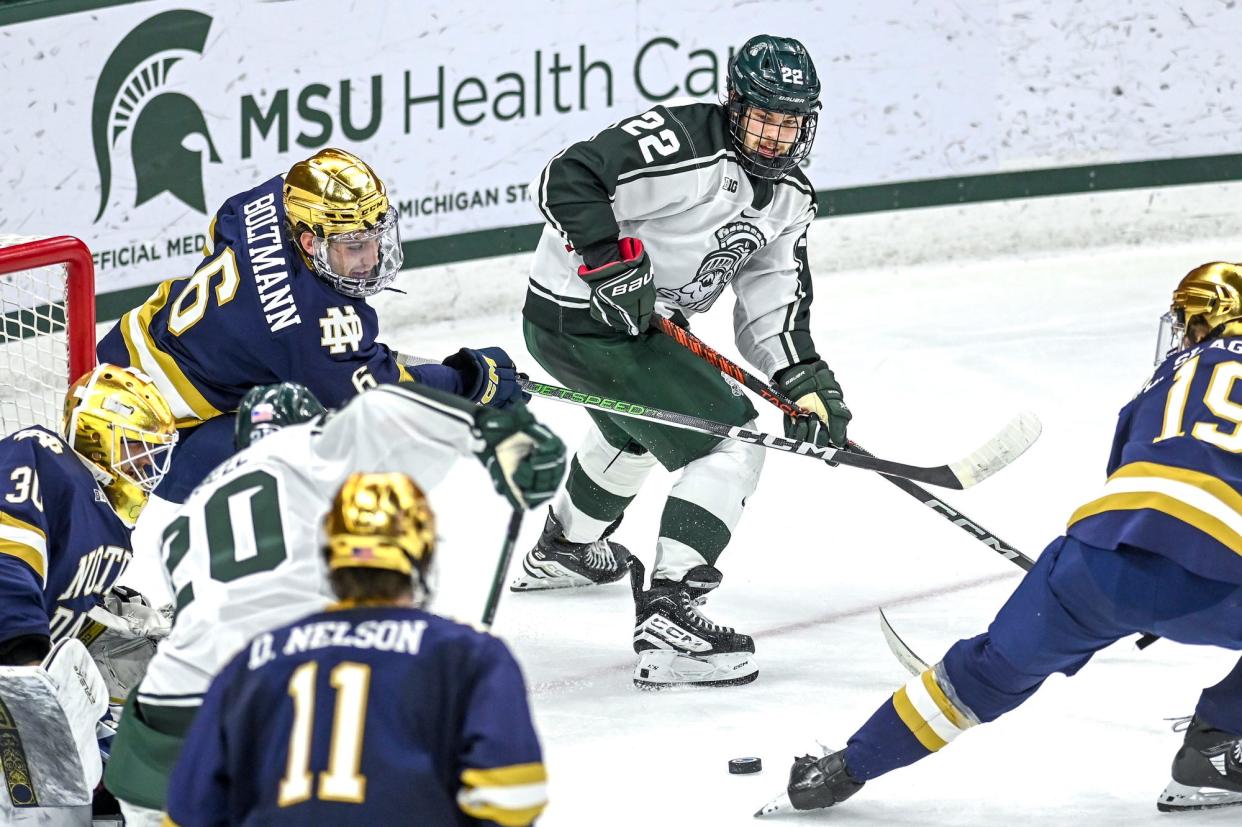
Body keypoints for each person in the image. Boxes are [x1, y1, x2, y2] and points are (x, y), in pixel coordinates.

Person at [760, 261, 1242, 818]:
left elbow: (1136, 478)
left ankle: (841, 770)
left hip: (1093, 563)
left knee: (983, 673)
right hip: (1217, 574)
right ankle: (1218, 743)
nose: (1182, 332)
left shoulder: (1161, 380)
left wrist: (1137, 593)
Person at [512, 33, 850, 689]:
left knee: (634, 430)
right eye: (764, 118)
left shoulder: (790, 200)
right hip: (583, 317)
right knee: (729, 440)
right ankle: (671, 615)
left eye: (790, 122)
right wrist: (609, 263)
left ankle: (565, 548)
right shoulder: (682, 144)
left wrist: (805, 383)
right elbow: (569, 177)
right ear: (734, 104)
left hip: (636, 329)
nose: (776, 136)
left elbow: (769, 301)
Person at [103, 379, 565, 823]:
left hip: (166, 702)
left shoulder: (197, 506)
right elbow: (382, 409)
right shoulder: (313, 446)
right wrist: (489, 431)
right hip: (273, 682)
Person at [97, 146, 526, 503]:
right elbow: (382, 395)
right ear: (309, 241)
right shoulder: (314, 323)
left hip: (111, 357)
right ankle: (239, 593)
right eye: (355, 246)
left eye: (375, 238)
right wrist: (470, 381)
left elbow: (220, 233)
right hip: (151, 437)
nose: (371, 258)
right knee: (326, 459)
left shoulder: (263, 201)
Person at [162, 471, 546, 826]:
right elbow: (512, 795)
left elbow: (187, 812)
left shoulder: (256, 658)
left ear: (330, 557)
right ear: (423, 555)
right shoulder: (468, 655)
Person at [0, 363, 178, 824]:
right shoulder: (41, 455)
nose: (147, 466)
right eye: (136, 449)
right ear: (99, 436)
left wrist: (117, 621)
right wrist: (22, 661)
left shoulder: (114, 530)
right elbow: (6, 550)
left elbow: (66, 602)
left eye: (152, 454)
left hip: (30, 674)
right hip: (15, 667)